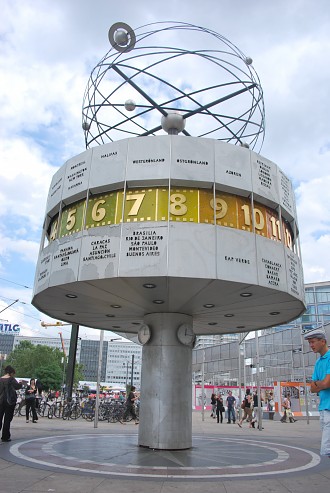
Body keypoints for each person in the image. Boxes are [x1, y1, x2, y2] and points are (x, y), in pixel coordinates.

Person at [304, 327, 330, 457]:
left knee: (326, 448)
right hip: (324, 408)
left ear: (323, 341)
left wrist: (319, 384)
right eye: (309, 343)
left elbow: (326, 383)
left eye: (313, 342)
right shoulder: (318, 362)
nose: (311, 345)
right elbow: (312, 388)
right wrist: (321, 384)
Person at [0, 365, 22, 442]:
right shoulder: (11, 379)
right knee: (7, 419)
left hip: (0, 401)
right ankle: (5, 436)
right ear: (11, 372)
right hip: (9, 401)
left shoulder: (0, 379)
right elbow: (17, 386)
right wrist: (21, 383)